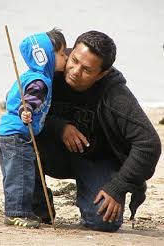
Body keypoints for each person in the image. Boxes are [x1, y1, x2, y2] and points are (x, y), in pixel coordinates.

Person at [30, 30, 161, 232]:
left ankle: (91, 193)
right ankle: (38, 207)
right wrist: (59, 127)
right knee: (16, 136)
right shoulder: (50, 68)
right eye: (74, 60)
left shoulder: (114, 94)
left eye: (87, 70)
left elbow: (148, 144)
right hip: (53, 152)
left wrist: (117, 187)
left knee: (104, 223)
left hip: (96, 159)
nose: (74, 71)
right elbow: (21, 107)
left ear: (102, 74)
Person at [0, 28, 67, 228]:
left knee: (19, 173)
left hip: (9, 133)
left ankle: (23, 210)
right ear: (44, 56)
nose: (65, 57)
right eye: (61, 54)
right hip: (17, 134)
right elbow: (30, 100)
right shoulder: (40, 80)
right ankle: (15, 213)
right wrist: (26, 110)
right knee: (20, 174)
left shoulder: (30, 75)